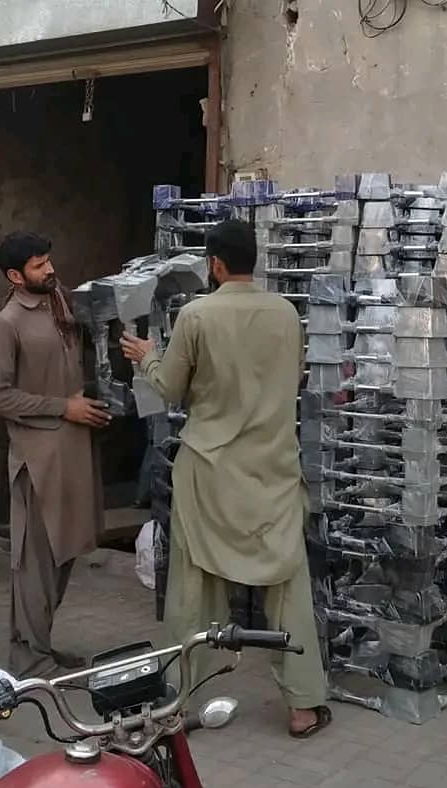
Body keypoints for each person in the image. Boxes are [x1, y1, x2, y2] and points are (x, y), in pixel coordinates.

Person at [120, 219, 330, 739]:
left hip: (209, 470)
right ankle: (303, 706)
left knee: (193, 586)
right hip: (274, 469)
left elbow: (171, 388)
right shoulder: (286, 315)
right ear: (252, 259)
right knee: (287, 584)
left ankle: (177, 702)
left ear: (214, 264)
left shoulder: (196, 315)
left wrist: (148, 359)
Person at [0, 232, 110, 679]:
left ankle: (42, 648)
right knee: (34, 563)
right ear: (16, 276)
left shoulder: (63, 303)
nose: (49, 270)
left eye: (48, 261)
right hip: (38, 460)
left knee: (64, 554)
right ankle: (28, 658)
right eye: (39, 266)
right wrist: (64, 408)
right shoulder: (7, 323)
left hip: (74, 450)